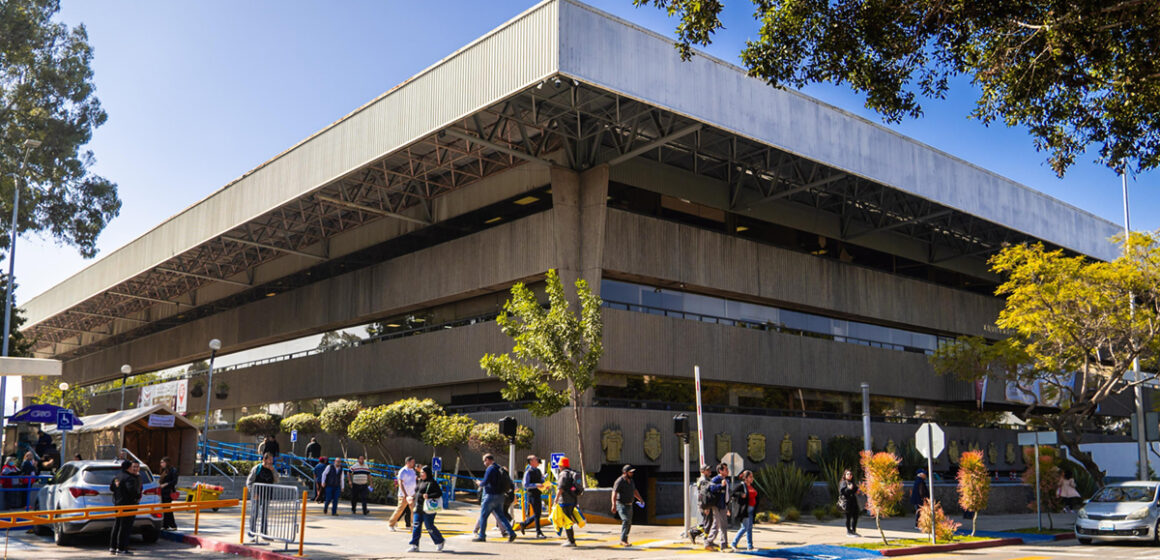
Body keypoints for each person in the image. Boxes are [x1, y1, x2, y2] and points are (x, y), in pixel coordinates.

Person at [472, 453, 516, 543]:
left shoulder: (490, 469)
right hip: (500, 496)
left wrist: (479, 483)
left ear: (488, 459)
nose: (484, 463)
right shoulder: (500, 468)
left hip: (490, 496)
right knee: (501, 516)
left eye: (484, 461)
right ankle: (511, 533)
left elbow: (485, 482)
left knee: (483, 516)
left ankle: (482, 536)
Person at [407, 465, 446, 553]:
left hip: (428, 508)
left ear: (427, 473)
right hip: (418, 507)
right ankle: (414, 545)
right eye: (420, 472)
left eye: (423, 472)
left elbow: (439, 493)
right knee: (416, 525)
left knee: (429, 526)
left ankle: (439, 541)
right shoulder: (420, 481)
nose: (421, 474)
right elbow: (417, 492)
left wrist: (429, 496)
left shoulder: (432, 482)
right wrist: (412, 498)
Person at [109, 460, 142, 555]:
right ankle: (121, 548)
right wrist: (137, 497)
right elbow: (132, 490)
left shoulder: (117, 477)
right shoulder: (129, 478)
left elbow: (112, 488)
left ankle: (113, 547)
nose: (133, 468)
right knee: (125, 527)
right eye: (132, 466)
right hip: (128, 505)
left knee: (117, 525)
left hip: (118, 504)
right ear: (128, 467)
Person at [554, 456, 584, 547]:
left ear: (562, 466)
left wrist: (555, 499)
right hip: (572, 500)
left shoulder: (563, 474)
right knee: (568, 520)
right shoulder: (572, 473)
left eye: (559, 465)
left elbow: (561, 488)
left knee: (567, 521)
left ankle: (571, 541)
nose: (559, 467)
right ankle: (570, 540)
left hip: (564, 501)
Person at [612, 464, 644, 547]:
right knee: (626, 520)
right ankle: (623, 540)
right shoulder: (619, 481)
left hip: (629, 505)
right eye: (630, 472)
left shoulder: (631, 481)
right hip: (621, 504)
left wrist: (640, 499)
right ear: (625, 472)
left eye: (632, 472)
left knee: (629, 522)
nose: (632, 474)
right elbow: (614, 492)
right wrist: (614, 505)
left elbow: (634, 491)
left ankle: (625, 540)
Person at [704, 463, 731, 551]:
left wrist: (727, 506)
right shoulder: (716, 479)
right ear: (720, 471)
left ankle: (709, 542)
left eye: (727, 469)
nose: (727, 471)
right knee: (723, 525)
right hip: (718, 505)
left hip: (723, 505)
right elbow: (711, 489)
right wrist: (721, 485)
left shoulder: (726, 479)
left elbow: (726, 495)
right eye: (726, 469)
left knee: (716, 524)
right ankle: (724, 544)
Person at [731, 469, 758, 551]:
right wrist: (741, 494)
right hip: (745, 510)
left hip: (751, 510)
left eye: (752, 477)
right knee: (744, 528)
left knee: (749, 528)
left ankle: (750, 546)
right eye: (750, 477)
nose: (752, 478)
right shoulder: (742, 486)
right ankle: (734, 543)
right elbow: (733, 493)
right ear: (745, 478)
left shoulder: (751, 486)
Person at [389, 457, 417, 530]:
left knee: (412, 511)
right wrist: (405, 494)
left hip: (411, 495)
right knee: (399, 510)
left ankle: (412, 525)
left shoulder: (413, 471)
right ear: (408, 462)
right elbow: (400, 483)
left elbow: (413, 482)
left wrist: (414, 493)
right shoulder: (403, 471)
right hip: (404, 495)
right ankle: (391, 524)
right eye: (412, 462)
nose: (413, 463)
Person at [521, 455, 546, 538]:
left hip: (538, 494)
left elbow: (541, 481)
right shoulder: (528, 471)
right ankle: (538, 532)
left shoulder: (538, 471)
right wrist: (536, 485)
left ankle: (524, 523)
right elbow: (525, 484)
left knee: (538, 513)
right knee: (537, 513)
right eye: (535, 459)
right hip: (532, 494)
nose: (537, 460)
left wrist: (544, 483)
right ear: (531, 461)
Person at [837, 468, 861, 536]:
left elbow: (855, 490)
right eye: (848, 474)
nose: (849, 475)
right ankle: (848, 531)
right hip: (847, 503)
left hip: (854, 502)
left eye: (850, 474)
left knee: (855, 516)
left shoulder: (852, 483)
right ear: (845, 475)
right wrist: (849, 489)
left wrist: (857, 490)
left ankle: (853, 530)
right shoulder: (843, 482)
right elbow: (843, 492)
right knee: (848, 517)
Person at [158, 456, 179, 531]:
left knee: (167, 508)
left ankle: (173, 524)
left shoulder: (173, 470)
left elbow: (174, 481)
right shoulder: (164, 471)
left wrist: (166, 484)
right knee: (164, 508)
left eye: (162, 462)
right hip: (162, 492)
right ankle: (165, 525)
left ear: (167, 462)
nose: (161, 464)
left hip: (168, 492)